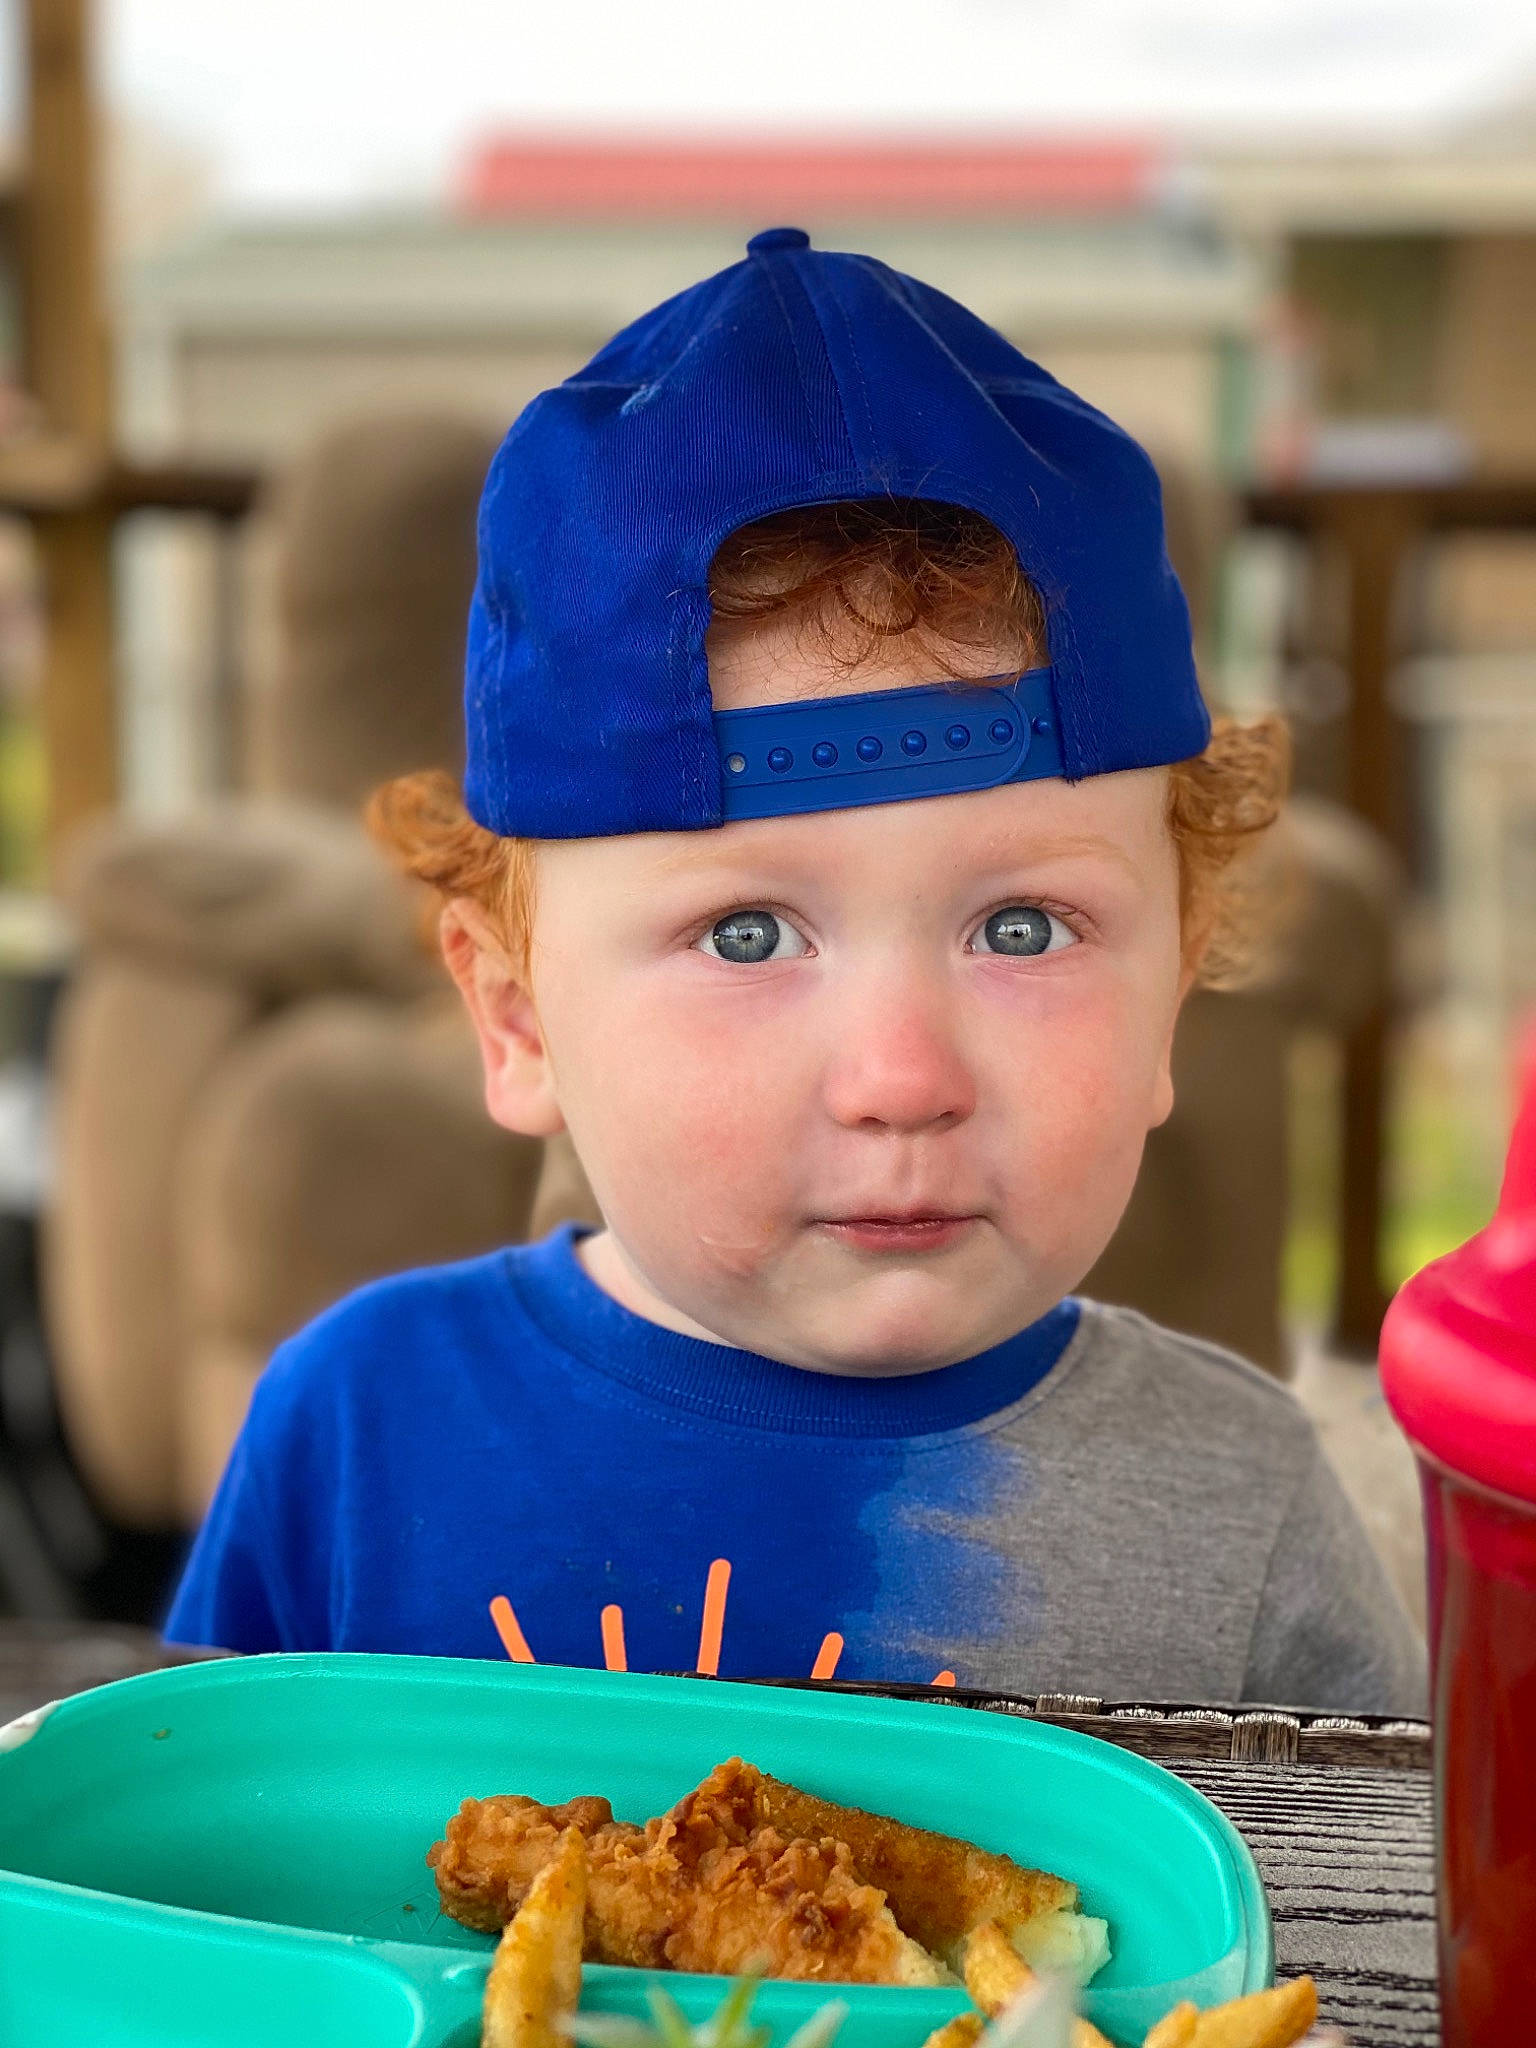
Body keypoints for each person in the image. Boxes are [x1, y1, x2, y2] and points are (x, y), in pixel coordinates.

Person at [165, 229, 1423, 1713]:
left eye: (1022, 929)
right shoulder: (357, 1434)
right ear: (516, 1019)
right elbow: (189, 1889)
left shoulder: (1245, 1509)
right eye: (749, 935)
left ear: (1174, 989)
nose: (904, 1079)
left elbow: (1397, 1933)